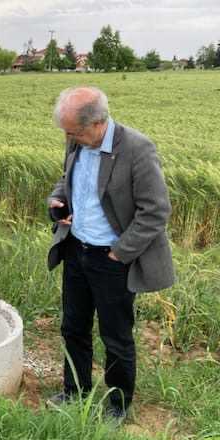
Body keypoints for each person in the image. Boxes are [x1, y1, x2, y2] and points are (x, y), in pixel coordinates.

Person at [46, 86, 174, 422]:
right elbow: (67, 179)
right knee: (73, 328)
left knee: (115, 338)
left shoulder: (137, 149)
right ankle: (75, 393)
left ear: (97, 123)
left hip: (111, 260)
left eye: (74, 133)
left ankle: (117, 407)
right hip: (76, 249)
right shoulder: (77, 140)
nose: (69, 139)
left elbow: (156, 210)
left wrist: (121, 252)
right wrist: (58, 202)